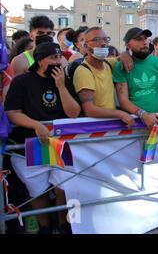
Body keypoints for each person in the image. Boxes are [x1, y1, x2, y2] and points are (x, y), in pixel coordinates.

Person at [5, 42, 81, 234]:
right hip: (29, 146)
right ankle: (45, 227)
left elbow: (73, 113)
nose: (58, 62)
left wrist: (61, 86)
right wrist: (36, 124)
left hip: (60, 144)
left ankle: (64, 225)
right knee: (37, 192)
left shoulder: (64, 79)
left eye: (59, 58)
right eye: (53, 58)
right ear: (40, 61)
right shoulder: (21, 82)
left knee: (65, 187)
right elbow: (13, 113)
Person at [72, 27, 134, 126]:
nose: (103, 43)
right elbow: (89, 110)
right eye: (96, 40)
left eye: (106, 39)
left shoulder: (107, 63)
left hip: (111, 123)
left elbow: (121, 57)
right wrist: (120, 114)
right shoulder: (84, 71)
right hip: (96, 126)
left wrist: (124, 54)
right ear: (86, 47)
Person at [113, 28, 158, 130]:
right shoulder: (121, 66)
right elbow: (123, 100)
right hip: (135, 122)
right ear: (128, 45)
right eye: (138, 39)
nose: (144, 42)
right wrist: (144, 115)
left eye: (145, 39)